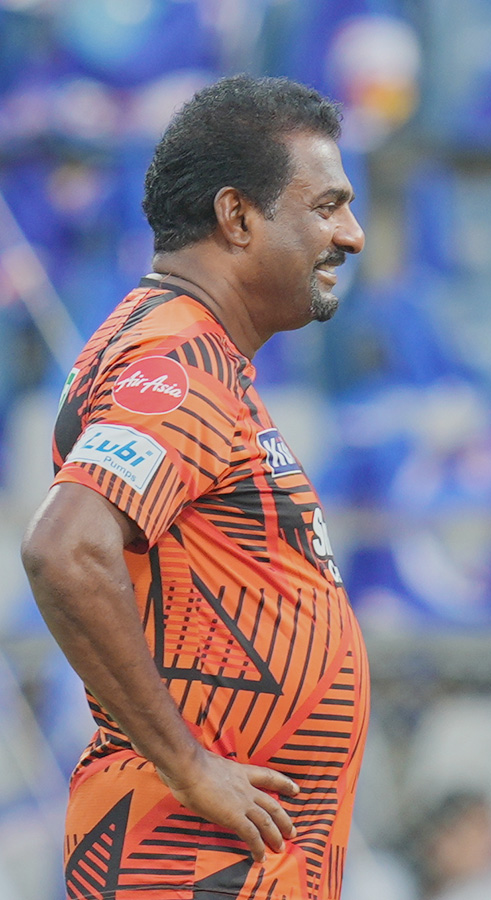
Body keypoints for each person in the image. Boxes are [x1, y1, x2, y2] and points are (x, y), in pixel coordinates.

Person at [20, 75, 367, 899]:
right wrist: (189, 765)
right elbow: (64, 548)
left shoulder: (186, 349)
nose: (351, 235)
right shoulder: (180, 363)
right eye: (326, 206)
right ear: (238, 217)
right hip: (188, 863)